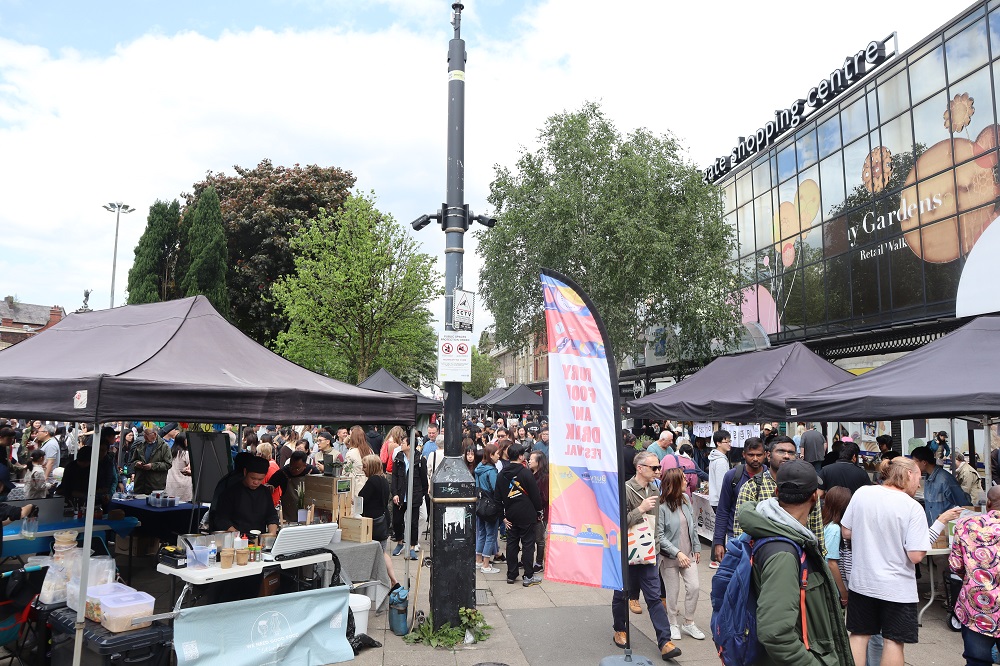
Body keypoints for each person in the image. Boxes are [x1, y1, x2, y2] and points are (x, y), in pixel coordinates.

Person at [738, 460, 854, 665]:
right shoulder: (784, 553)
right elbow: (775, 633)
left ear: (776, 491)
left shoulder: (777, 533)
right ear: (813, 497)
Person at [842, 457, 928, 666]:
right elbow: (915, 556)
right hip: (896, 588)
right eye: (919, 477)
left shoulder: (862, 493)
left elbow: (846, 531)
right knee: (894, 641)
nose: (919, 483)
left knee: (859, 635)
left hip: (862, 582)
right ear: (908, 474)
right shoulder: (912, 507)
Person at [611, 450, 682, 661]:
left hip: (650, 551)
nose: (658, 471)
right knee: (622, 593)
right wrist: (640, 509)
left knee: (653, 596)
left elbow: (657, 523)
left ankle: (665, 642)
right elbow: (619, 523)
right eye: (654, 467)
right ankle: (619, 629)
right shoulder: (625, 489)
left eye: (659, 467)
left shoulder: (654, 489)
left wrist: (657, 548)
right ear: (639, 468)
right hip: (627, 552)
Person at [733, 436, 826, 555]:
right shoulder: (752, 487)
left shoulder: (807, 486)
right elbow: (741, 529)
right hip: (763, 556)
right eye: (781, 451)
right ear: (768, 455)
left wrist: (820, 557)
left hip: (802, 556)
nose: (786, 456)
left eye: (791, 452)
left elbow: (816, 526)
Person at [949, 485, 1000, 666]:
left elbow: (956, 566)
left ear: (988, 503)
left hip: (976, 606)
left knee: (976, 661)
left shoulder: (966, 525)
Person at [656, 467, 704, 642]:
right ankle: (672, 623)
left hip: (688, 553)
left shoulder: (685, 499)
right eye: (684, 479)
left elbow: (693, 526)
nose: (687, 481)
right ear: (675, 483)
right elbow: (659, 536)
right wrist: (677, 553)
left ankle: (689, 622)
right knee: (672, 592)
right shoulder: (660, 506)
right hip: (669, 557)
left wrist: (696, 547)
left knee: (694, 587)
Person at [495, 443, 543, 587]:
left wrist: (502, 517)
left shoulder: (501, 474)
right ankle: (528, 575)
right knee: (528, 545)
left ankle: (511, 574)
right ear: (521, 456)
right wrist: (539, 510)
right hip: (527, 514)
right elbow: (535, 495)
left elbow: (497, 498)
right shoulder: (526, 473)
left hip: (510, 515)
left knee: (512, 544)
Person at [712, 437, 765, 566]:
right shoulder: (732, 476)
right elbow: (723, 509)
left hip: (763, 538)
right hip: (735, 537)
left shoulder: (771, 477)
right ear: (743, 455)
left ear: (765, 455)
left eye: (759, 455)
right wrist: (718, 542)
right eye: (751, 455)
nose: (755, 459)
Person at [358, 454, 399, 589]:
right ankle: (394, 580)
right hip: (383, 518)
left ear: (371, 466)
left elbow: (362, 498)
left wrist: (355, 501)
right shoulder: (383, 479)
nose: (363, 469)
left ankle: (384, 583)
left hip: (374, 522)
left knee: (378, 553)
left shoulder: (372, 481)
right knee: (382, 551)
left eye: (364, 466)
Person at [212, 455, 279, 535]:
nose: (256, 482)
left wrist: (271, 534)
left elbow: (272, 516)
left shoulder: (265, 492)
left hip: (258, 539)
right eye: (253, 478)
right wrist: (237, 535)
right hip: (236, 539)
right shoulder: (231, 492)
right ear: (245, 472)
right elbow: (221, 519)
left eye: (260, 479)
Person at [390, 434, 428, 560]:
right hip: (400, 495)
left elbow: (424, 480)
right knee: (397, 521)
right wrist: (394, 493)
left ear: (410, 445)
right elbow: (394, 477)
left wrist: (420, 494)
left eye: (403, 443)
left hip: (414, 495)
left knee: (413, 522)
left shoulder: (420, 459)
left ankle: (412, 546)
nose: (401, 444)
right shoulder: (398, 458)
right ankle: (400, 542)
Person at [911, 445, 970, 526]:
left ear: (924, 462)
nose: (913, 465)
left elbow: (964, 504)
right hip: (933, 529)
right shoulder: (928, 478)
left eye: (914, 462)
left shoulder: (945, 480)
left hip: (946, 529)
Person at [822, 486, 853, 609]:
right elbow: (831, 563)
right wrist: (843, 593)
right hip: (832, 588)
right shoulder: (835, 529)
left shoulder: (826, 524)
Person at [475, 443, 501, 574]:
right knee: (491, 535)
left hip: (480, 504)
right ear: (491, 455)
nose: (499, 456)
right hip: (491, 505)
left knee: (482, 533)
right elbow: (496, 489)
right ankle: (486, 564)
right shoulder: (491, 471)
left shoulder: (479, 467)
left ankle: (478, 560)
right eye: (497, 454)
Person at [130, 427, 171, 494]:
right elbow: (132, 461)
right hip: (140, 483)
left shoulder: (164, 447)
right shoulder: (140, 445)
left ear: (154, 434)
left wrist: (152, 466)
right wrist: (137, 463)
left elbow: (168, 464)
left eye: (147, 434)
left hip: (155, 485)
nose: (145, 436)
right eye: (144, 433)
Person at [528, 450, 548, 574]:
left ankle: (539, 562)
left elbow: (544, 498)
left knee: (539, 539)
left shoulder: (545, 477)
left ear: (539, 462)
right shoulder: (530, 474)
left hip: (541, 513)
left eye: (531, 459)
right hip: (529, 512)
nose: (529, 461)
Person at [164, 432, 193, 502]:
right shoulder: (185, 453)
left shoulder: (171, 452)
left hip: (171, 482)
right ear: (183, 441)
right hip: (183, 483)